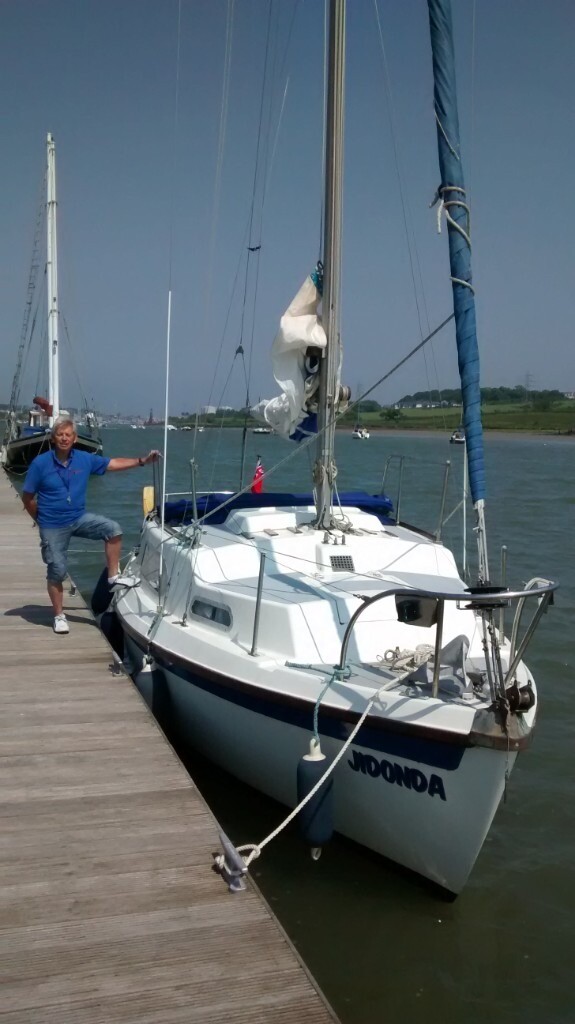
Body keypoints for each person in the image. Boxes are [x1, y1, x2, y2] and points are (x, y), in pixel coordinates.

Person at [22, 416, 160, 634]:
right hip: (52, 524)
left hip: (78, 518)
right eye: (60, 434)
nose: (64, 438)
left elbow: (112, 464)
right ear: (53, 438)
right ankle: (59, 616)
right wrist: (40, 519)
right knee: (57, 570)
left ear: (75, 438)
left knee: (113, 529)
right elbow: (28, 497)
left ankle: (112, 578)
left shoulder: (84, 459)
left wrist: (142, 461)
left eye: (68, 435)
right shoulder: (40, 463)